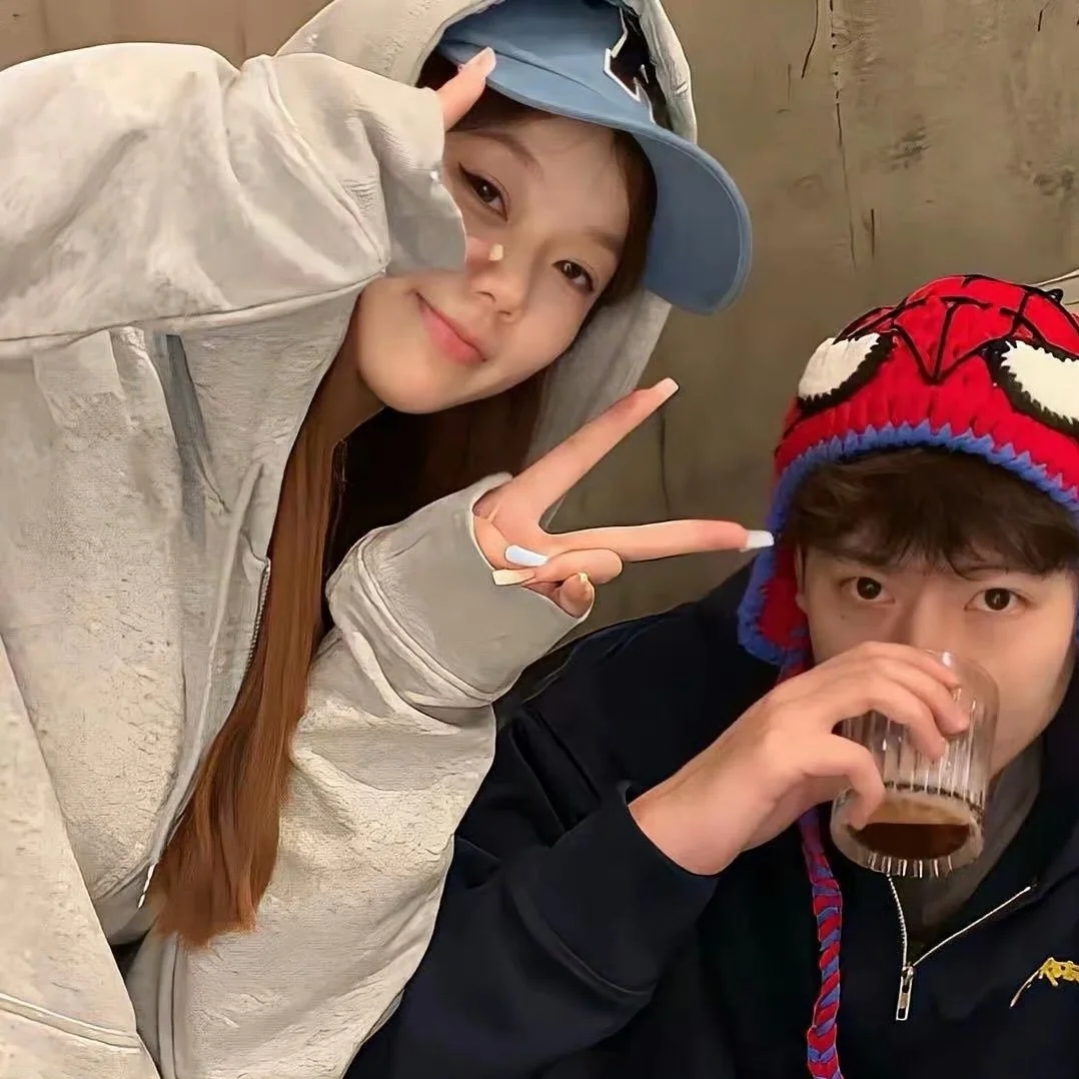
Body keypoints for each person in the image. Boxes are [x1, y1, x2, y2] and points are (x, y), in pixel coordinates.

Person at [0, 0, 759, 1076]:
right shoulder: (68, 360)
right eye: (482, 188)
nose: (505, 283)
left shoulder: (345, 535)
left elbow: (230, 1044)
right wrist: (239, 172)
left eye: (574, 272)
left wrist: (415, 670)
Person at [349, 274, 1079, 1079]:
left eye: (996, 598)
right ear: (797, 581)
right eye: (867, 587)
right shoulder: (616, 717)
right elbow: (376, 1050)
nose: (915, 658)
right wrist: (666, 836)